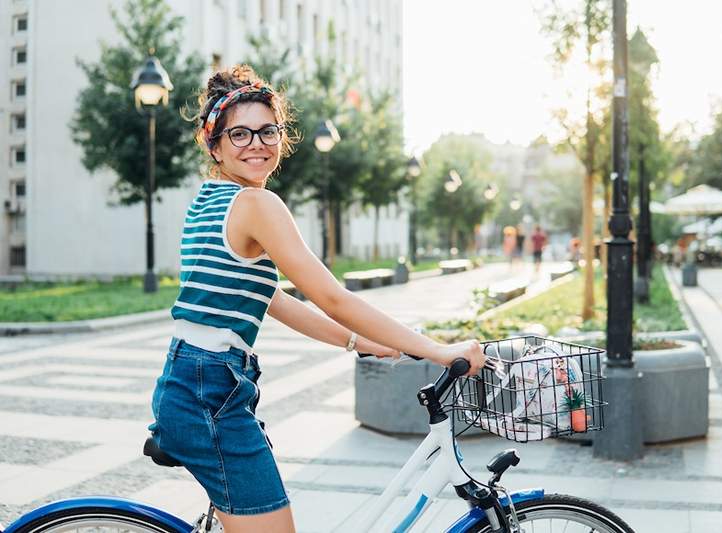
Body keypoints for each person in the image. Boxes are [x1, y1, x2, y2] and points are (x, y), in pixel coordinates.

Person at [147, 65, 485, 533]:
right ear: (215, 144)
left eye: (268, 131)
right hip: (209, 391)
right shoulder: (257, 205)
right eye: (239, 134)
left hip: (193, 382)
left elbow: (273, 299)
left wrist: (357, 342)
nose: (257, 144)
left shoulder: (209, 200)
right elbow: (330, 295)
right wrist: (436, 349)